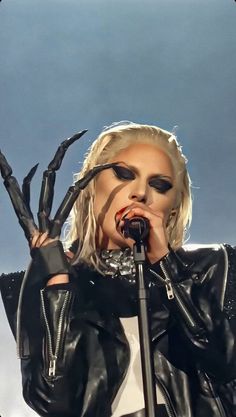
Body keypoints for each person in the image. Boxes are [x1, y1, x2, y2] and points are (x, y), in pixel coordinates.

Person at [0, 121, 235, 417]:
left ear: (173, 208)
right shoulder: (44, 287)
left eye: (159, 185)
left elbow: (224, 362)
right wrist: (58, 285)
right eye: (124, 174)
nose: (140, 193)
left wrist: (166, 265)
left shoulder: (214, 266)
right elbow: (54, 403)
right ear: (90, 187)